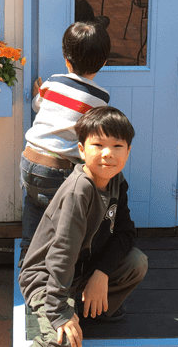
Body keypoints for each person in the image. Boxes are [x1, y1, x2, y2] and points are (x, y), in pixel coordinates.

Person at [19, 106, 148, 347]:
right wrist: (58, 312)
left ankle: (86, 308)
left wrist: (102, 272)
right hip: (47, 278)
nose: (108, 153)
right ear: (81, 149)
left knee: (136, 263)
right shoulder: (80, 190)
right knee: (64, 341)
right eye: (98, 145)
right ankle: (64, 310)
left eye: (117, 146)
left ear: (128, 151)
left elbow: (125, 232)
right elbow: (62, 253)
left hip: (82, 270)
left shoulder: (116, 181)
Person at [20, 21, 111, 260]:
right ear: (104, 62)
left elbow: (37, 105)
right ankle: (56, 265)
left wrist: (39, 92)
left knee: (33, 205)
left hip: (29, 159)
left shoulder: (54, 82)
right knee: (60, 218)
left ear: (66, 59)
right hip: (58, 169)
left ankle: (26, 256)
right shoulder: (101, 98)